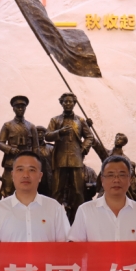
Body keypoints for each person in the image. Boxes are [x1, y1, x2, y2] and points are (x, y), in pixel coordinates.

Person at [45, 92, 94, 220]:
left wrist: (82, 150)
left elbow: (89, 136)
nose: (68, 104)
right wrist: (59, 132)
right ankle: (53, 218)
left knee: (78, 191)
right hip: (60, 159)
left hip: (76, 159)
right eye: (65, 101)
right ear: (61, 103)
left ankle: (79, 219)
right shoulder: (55, 120)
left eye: (70, 101)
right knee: (57, 190)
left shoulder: (80, 120)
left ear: (74, 103)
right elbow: (47, 136)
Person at [0, 95, 39, 199]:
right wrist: (10, 149)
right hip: (11, 162)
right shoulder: (7, 125)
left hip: (27, 164)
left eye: (22, 107)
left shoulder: (31, 126)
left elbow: (36, 147)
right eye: (18, 107)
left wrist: (36, 164)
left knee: (27, 189)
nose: (20, 109)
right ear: (13, 109)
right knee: (8, 189)